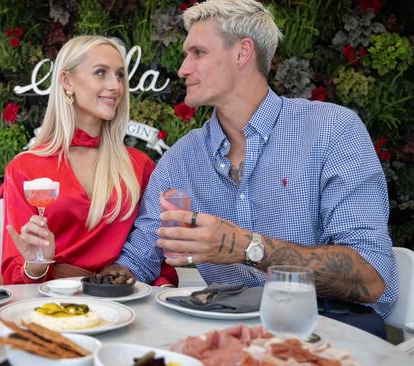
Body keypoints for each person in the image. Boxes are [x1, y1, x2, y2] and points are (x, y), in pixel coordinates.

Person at [109, 0, 397, 338]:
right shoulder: (181, 158)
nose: (184, 68)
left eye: (198, 52)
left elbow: (371, 275)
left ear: (243, 52)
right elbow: (138, 261)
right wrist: (86, 285)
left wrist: (244, 247)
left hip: (332, 328)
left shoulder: (332, 131)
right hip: (227, 329)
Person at [0, 35, 177, 286]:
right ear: (66, 80)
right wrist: (38, 263)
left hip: (123, 304)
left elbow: (153, 253)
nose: (116, 86)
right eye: (101, 73)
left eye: (119, 75)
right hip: (53, 308)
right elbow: (15, 272)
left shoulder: (140, 165)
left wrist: (162, 293)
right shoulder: (25, 168)